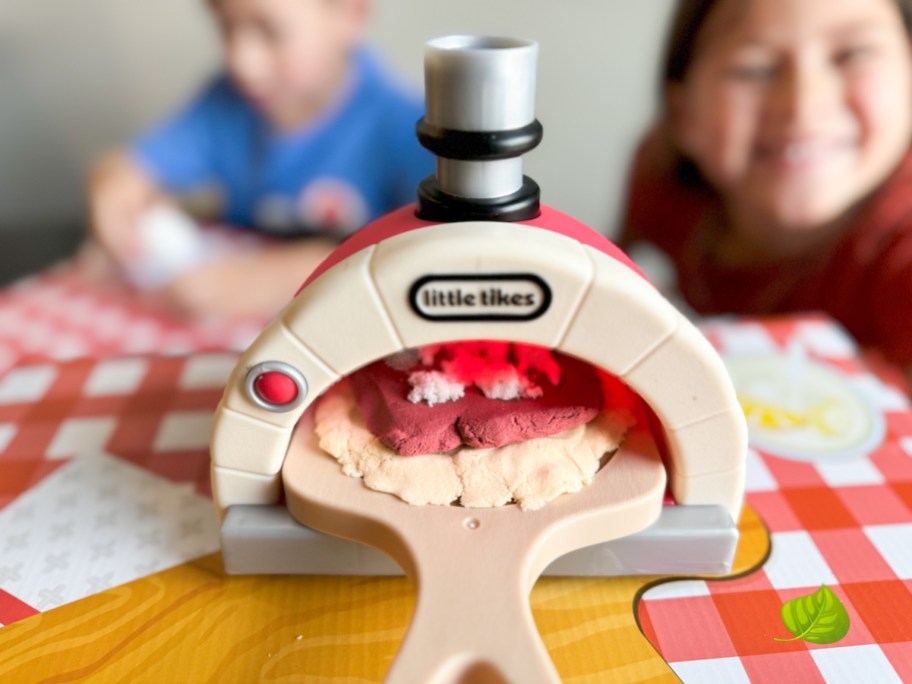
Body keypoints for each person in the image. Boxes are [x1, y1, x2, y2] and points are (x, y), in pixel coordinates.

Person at [89, 0, 432, 319]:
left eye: (270, 31)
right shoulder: (223, 105)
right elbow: (128, 168)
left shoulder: (410, 129)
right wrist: (112, 186)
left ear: (350, 14)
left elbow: (424, 253)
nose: (242, 63)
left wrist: (292, 273)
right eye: (226, 27)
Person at [621, 0, 912, 374]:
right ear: (684, 115)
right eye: (754, 69)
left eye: (853, 55)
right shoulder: (663, 179)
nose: (803, 104)